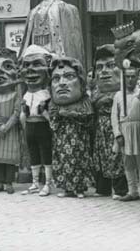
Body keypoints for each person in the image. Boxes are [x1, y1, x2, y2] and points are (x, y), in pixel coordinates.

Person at [19, 0, 85, 66]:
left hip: (55, 55)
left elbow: (73, 42)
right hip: (36, 55)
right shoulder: (34, 11)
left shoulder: (67, 9)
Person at [49, 57, 94, 198]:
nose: (62, 83)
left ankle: (80, 188)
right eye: (56, 78)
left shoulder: (85, 101)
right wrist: (58, 116)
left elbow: (88, 116)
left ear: (80, 81)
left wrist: (70, 114)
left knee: (79, 160)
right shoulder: (53, 104)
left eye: (69, 77)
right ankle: (66, 188)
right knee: (62, 160)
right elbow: (52, 119)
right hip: (61, 137)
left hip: (78, 136)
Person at [91, 45, 128, 199]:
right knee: (100, 157)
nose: (104, 71)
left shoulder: (126, 92)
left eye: (111, 65)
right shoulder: (94, 93)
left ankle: (121, 189)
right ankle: (103, 188)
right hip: (100, 128)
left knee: (118, 157)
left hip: (118, 127)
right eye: (99, 67)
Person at [111, 60, 140, 203]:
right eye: (128, 77)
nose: (130, 79)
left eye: (133, 76)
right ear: (123, 78)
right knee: (128, 162)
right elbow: (114, 116)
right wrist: (117, 134)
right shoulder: (118, 95)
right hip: (125, 130)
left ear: (137, 77)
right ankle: (132, 191)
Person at [19, 45, 53, 197]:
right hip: (30, 126)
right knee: (33, 154)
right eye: (26, 65)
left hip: (42, 126)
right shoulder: (26, 94)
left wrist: (44, 111)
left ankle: (47, 183)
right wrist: (23, 117)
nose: (30, 69)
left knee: (46, 154)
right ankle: (34, 183)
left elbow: (51, 117)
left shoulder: (47, 94)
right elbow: (22, 114)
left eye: (37, 64)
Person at [0, 48, 21, 195]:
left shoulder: (14, 94)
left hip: (10, 129)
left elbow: (17, 112)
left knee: (9, 157)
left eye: (7, 66)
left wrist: (7, 126)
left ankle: (9, 182)